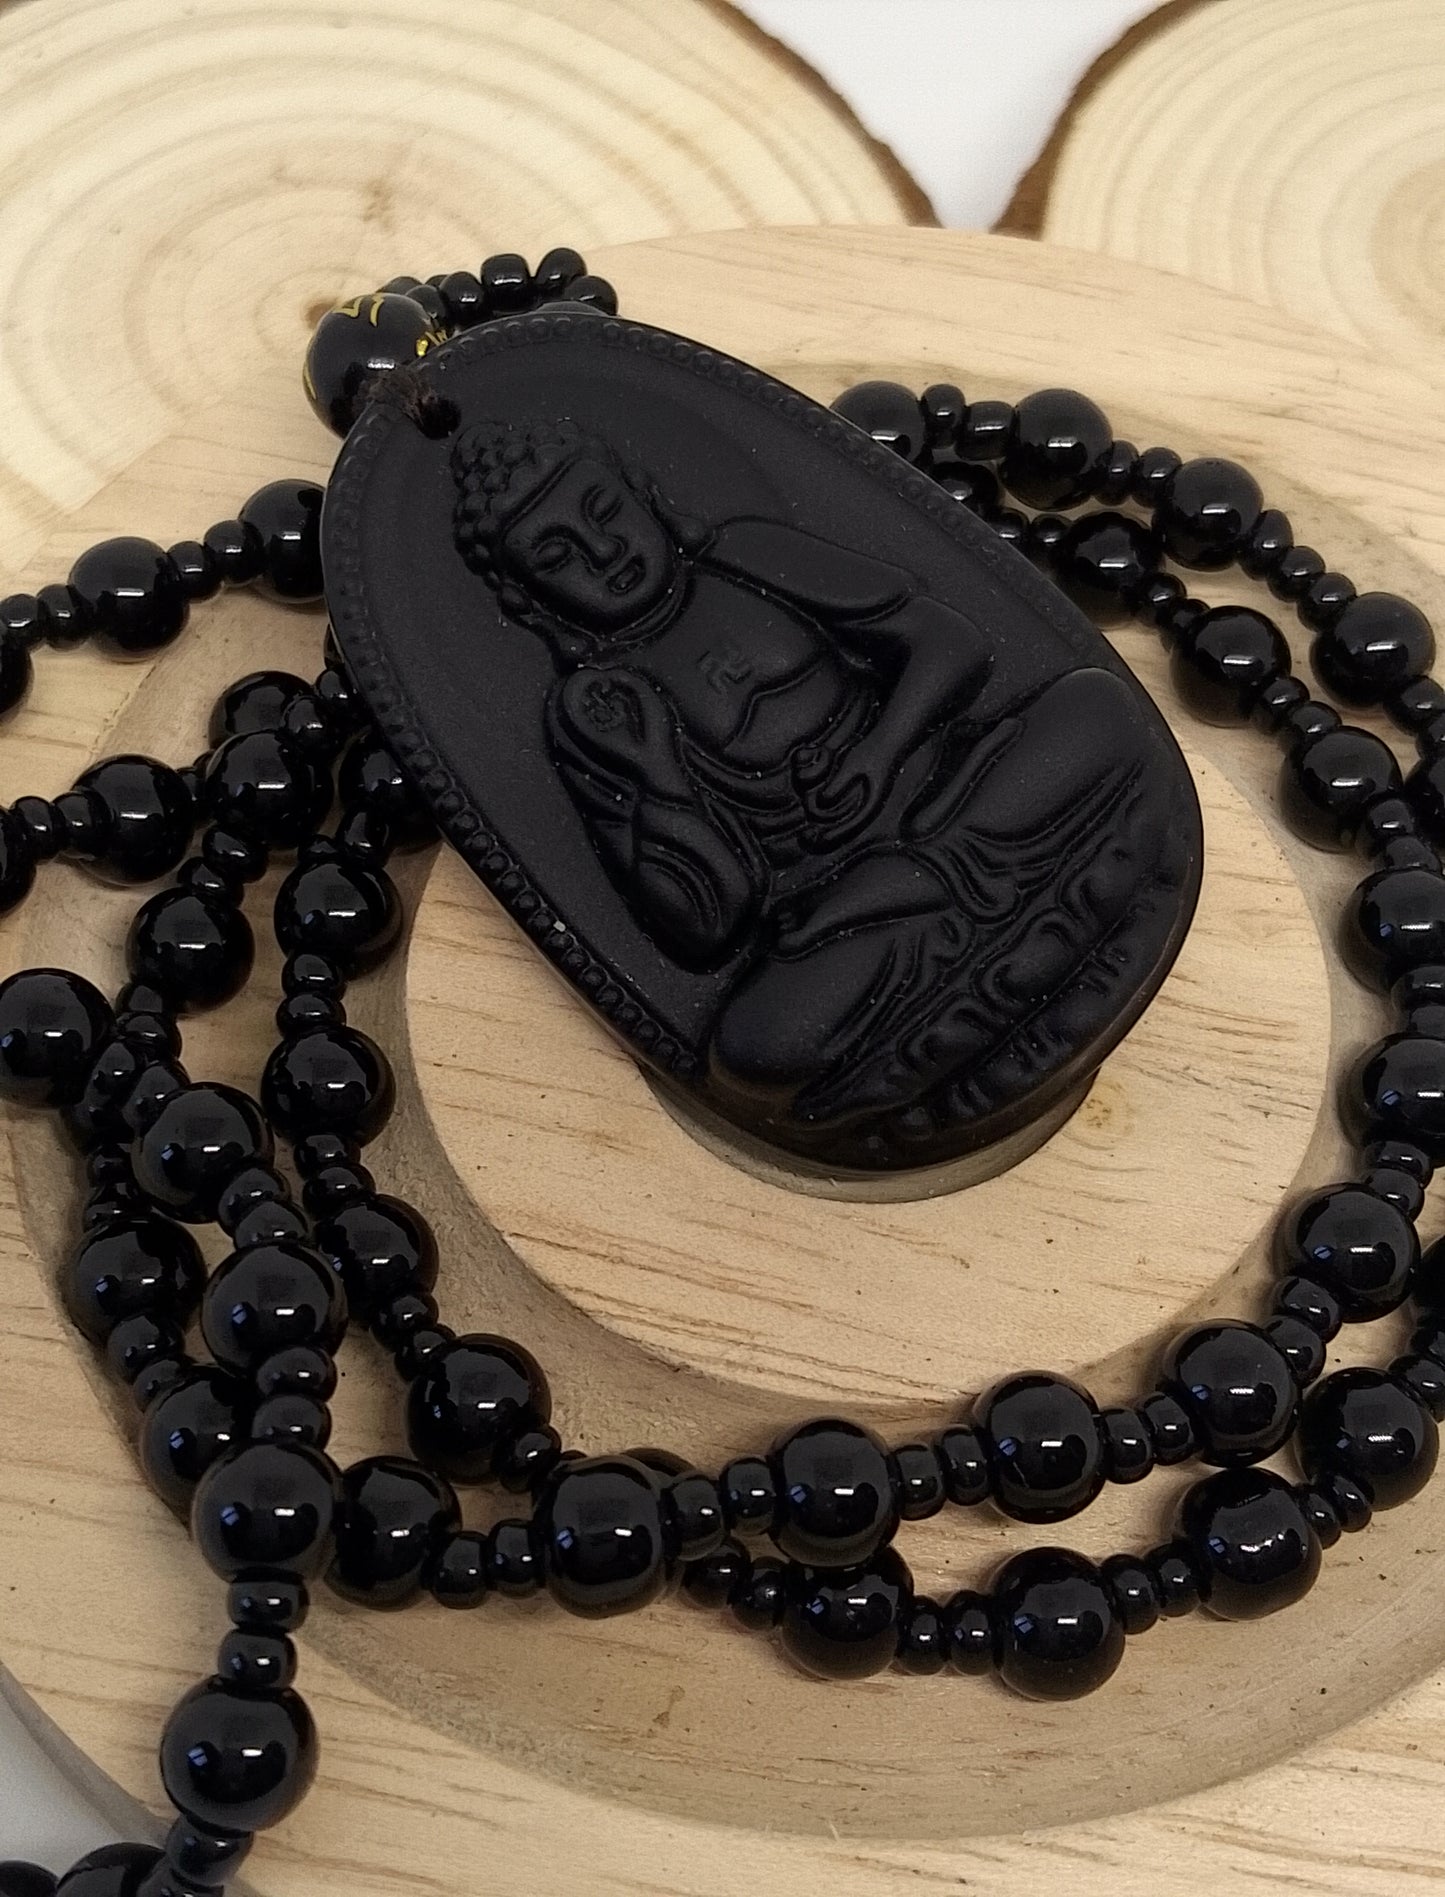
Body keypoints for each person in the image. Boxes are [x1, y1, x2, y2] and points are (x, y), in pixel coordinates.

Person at [451, 416, 1170, 1163]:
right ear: (529, 596)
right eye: (557, 554)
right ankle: (1049, 904)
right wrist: (657, 769)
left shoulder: (746, 556)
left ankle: (952, 984)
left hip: (952, 802)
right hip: (844, 909)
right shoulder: (597, 712)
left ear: (643, 493)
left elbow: (949, 643)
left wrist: (881, 753)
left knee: (1098, 711)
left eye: (604, 511)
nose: (604, 553)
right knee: (758, 1048)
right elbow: (705, 927)